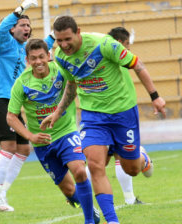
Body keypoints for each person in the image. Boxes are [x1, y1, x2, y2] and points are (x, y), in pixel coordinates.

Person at [40, 16, 166, 223]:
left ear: (78, 32)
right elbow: (71, 85)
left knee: (131, 169)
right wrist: (58, 111)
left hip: (122, 112)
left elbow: (138, 65)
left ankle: (141, 157)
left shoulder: (104, 44)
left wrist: (155, 96)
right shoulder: (61, 56)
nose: (63, 45)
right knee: (95, 165)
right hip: (93, 116)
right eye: (59, 41)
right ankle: (112, 220)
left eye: (67, 39)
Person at [6, 38, 100, 224]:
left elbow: (75, 85)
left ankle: (89, 220)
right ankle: (85, 207)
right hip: (42, 142)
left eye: (41, 56)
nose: (38, 61)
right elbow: (11, 117)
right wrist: (31, 136)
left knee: (79, 171)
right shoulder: (21, 83)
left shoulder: (61, 72)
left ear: (48, 55)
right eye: (33, 58)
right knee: (68, 189)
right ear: (27, 60)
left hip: (66, 132)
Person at [0, 0, 55, 212]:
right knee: (9, 147)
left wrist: (55, 33)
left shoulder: (23, 48)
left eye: (28, 25)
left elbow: (43, 47)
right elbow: (1, 27)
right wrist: (21, 9)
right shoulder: (5, 42)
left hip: (13, 105)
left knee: (24, 149)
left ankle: (1, 194)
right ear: (12, 28)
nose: (27, 28)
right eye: (22, 25)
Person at [85, 27, 144, 205]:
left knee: (122, 161)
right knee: (98, 161)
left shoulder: (118, 61)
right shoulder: (109, 59)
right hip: (101, 117)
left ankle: (130, 197)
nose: (128, 49)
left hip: (121, 115)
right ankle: (85, 196)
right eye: (127, 45)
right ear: (119, 44)